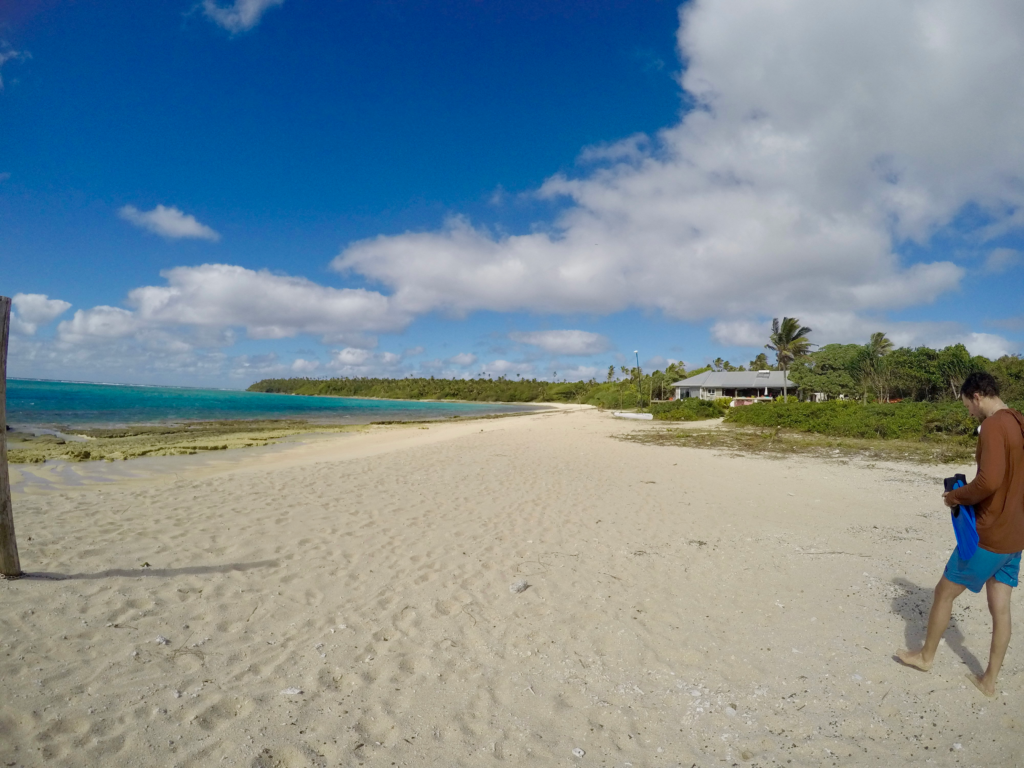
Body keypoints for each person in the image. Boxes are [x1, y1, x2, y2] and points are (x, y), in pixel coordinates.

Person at [897, 371, 1024, 697]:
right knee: (1002, 609)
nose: (968, 410)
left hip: (988, 537)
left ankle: (925, 657)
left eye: (967, 403)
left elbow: (989, 482)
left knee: (943, 592)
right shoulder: (1020, 421)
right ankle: (989, 681)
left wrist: (955, 496)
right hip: (1015, 537)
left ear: (977, 396)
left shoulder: (994, 425)